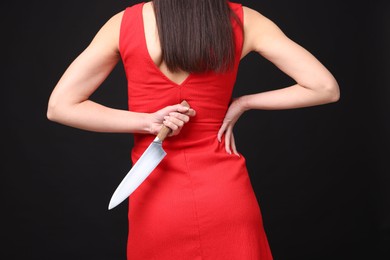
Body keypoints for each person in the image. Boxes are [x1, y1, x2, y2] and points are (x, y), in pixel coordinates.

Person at [47, 0, 340, 259]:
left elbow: (60, 106)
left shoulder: (123, 25)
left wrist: (147, 121)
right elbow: (325, 88)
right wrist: (244, 102)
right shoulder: (245, 20)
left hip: (156, 202)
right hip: (226, 197)